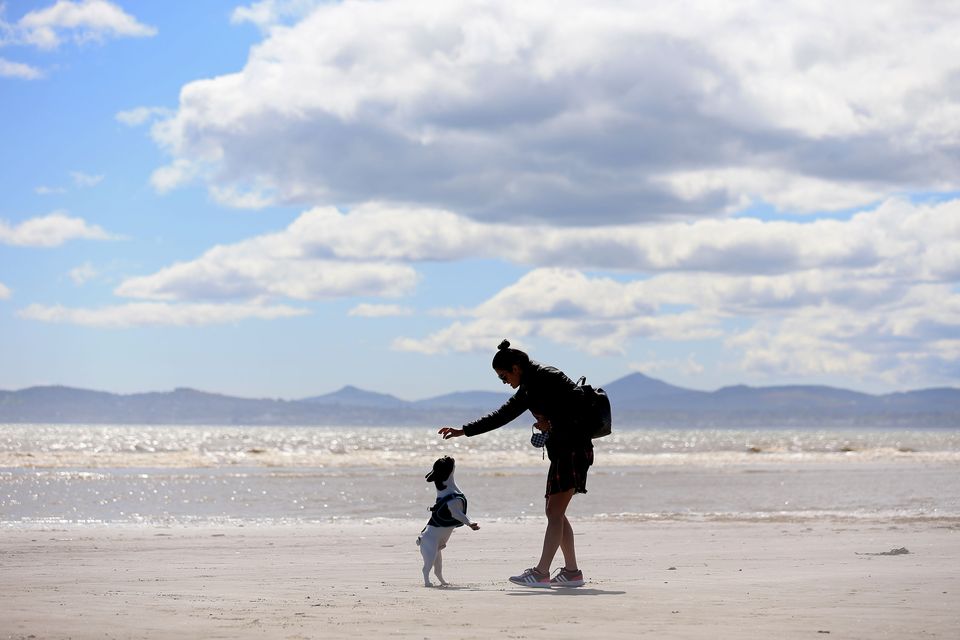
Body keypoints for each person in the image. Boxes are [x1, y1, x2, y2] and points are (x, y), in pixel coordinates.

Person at [438, 339, 593, 588]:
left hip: (574, 450)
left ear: (516, 367)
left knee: (554, 513)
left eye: (503, 376)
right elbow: (501, 416)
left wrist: (551, 423)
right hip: (564, 450)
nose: (504, 382)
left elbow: (580, 407)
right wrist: (462, 431)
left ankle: (542, 572)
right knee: (556, 513)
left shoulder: (547, 376)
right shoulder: (529, 388)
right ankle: (572, 573)